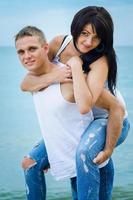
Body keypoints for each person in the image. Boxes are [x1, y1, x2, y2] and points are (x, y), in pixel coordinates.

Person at [16, 7, 129, 200]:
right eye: (84, 33)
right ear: (75, 28)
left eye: (96, 37)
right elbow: (28, 82)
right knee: (31, 163)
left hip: (109, 120)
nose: (88, 42)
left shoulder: (99, 63)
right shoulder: (59, 43)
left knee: (84, 153)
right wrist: (55, 77)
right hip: (80, 122)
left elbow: (111, 107)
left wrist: (108, 149)